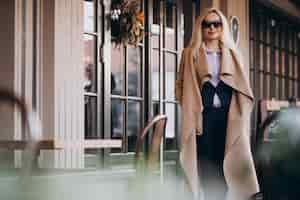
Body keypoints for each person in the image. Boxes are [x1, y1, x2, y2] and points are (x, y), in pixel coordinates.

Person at [175, 8, 260, 200]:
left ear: (222, 27)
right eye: (207, 24)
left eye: (216, 24)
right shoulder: (190, 54)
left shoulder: (233, 54)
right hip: (202, 117)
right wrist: (189, 105)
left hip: (227, 118)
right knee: (204, 162)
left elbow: (243, 87)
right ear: (200, 27)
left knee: (227, 161)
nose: (212, 28)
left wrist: (239, 113)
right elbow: (180, 85)